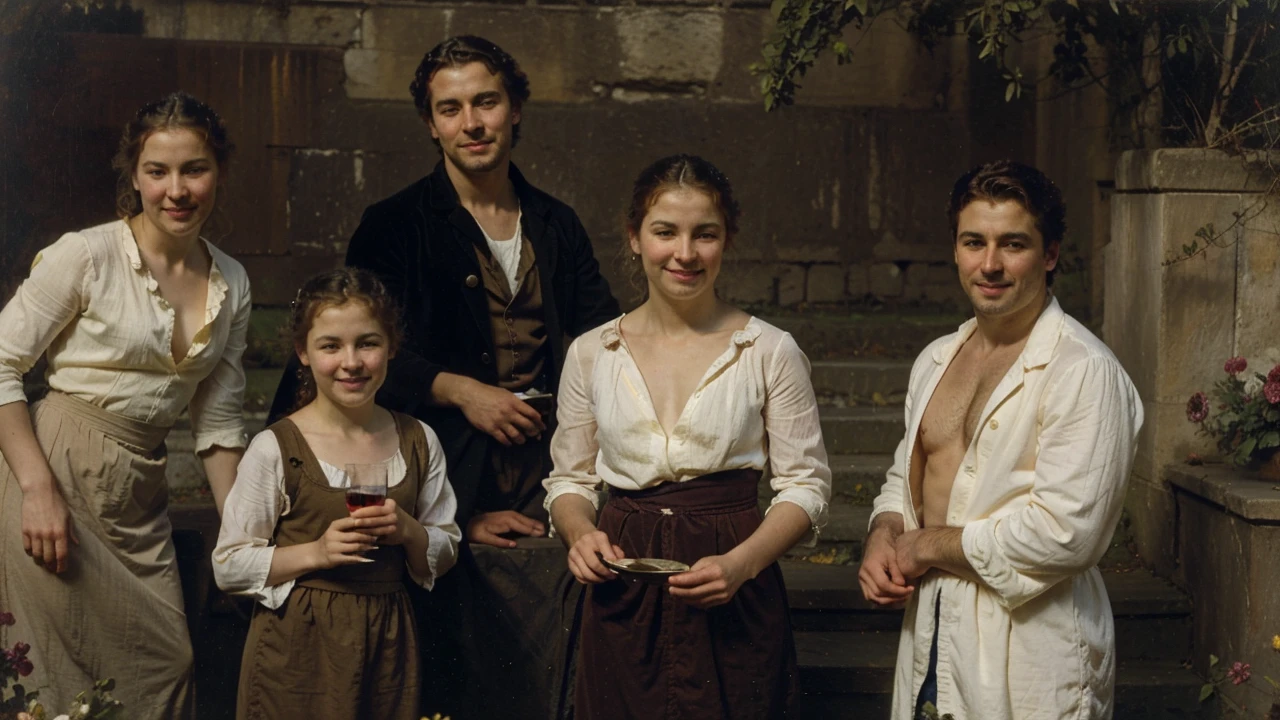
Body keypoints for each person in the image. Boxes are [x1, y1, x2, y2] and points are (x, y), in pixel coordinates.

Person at [266, 35, 619, 718]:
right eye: (450, 109)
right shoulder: (395, 225)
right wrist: (461, 390)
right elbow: (360, 360)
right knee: (451, 659)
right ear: (431, 124)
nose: (472, 123)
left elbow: (604, 341)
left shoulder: (555, 222)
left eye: (485, 102)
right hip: (441, 467)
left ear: (514, 109)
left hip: (544, 463)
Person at [544, 154, 832, 720]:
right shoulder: (591, 353)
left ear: (726, 241)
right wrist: (579, 533)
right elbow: (570, 479)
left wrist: (742, 564)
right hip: (624, 581)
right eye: (664, 232)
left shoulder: (769, 350)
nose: (684, 253)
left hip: (733, 581)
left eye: (705, 234)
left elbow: (806, 487)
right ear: (634, 238)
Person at [858, 160, 1143, 719]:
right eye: (974, 242)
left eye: (1013, 244)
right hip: (932, 632)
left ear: (1050, 254)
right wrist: (884, 532)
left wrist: (922, 546)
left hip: (1031, 650)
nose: (990, 264)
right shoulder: (936, 360)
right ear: (957, 249)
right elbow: (906, 479)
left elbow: (1066, 534)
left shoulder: (1082, 370)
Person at [0, 92, 251, 718]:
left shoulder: (233, 281)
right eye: (156, 172)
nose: (177, 190)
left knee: (168, 663)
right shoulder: (85, 256)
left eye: (194, 169)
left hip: (139, 490)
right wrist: (36, 489)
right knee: (56, 679)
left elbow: (218, 424)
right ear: (134, 175)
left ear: (218, 171)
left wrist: (245, 536)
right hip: (53, 472)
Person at [214, 268, 461, 719]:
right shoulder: (276, 448)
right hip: (297, 651)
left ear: (391, 348)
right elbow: (228, 566)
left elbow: (445, 551)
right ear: (303, 353)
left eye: (367, 343)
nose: (351, 362)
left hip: (387, 644)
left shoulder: (418, 439)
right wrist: (318, 552)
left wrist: (409, 530)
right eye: (330, 346)